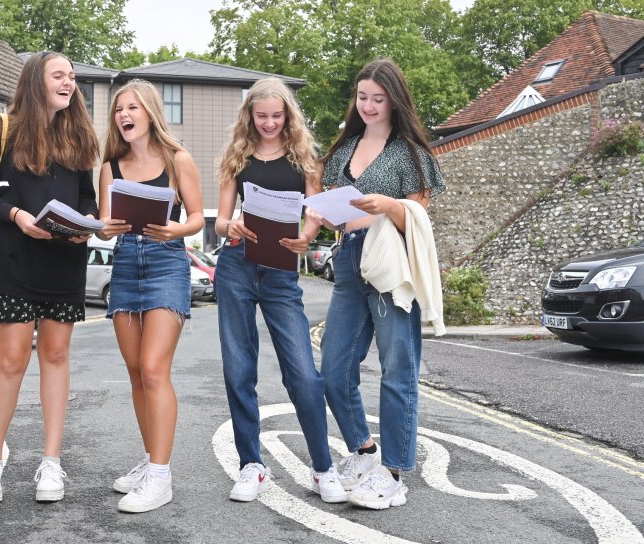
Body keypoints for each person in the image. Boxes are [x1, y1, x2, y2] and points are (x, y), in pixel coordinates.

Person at [0, 51, 100, 504]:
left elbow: (88, 198)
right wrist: (19, 215)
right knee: (11, 359)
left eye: (72, 76)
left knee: (57, 356)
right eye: (59, 75)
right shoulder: (0, 130)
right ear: (35, 81)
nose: (69, 82)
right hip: (13, 261)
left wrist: (86, 224)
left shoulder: (80, 134)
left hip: (64, 260)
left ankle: (51, 463)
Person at [318, 58, 446, 509]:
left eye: (378, 98)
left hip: (391, 265)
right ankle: (366, 452)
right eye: (362, 97)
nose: (369, 106)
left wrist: (390, 206)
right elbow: (330, 210)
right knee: (333, 371)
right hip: (349, 263)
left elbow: (419, 220)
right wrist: (316, 217)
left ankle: (392, 474)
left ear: (394, 99)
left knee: (398, 370)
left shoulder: (410, 153)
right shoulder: (342, 150)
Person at [213, 77, 345, 504]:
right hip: (236, 264)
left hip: (282, 269)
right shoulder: (237, 156)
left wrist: (307, 235)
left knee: (304, 375)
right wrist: (228, 224)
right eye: (261, 116)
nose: (269, 123)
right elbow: (220, 220)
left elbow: (315, 212)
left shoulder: (303, 158)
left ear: (288, 115)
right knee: (238, 370)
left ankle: (322, 468)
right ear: (249, 115)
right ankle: (252, 465)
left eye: (277, 116)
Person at [96, 80, 204, 513]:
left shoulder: (179, 160)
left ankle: (161, 477)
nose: (124, 114)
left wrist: (178, 227)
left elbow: (196, 217)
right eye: (119, 109)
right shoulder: (110, 167)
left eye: (132, 107)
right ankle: (149, 461)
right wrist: (103, 228)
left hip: (166, 262)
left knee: (156, 369)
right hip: (124, 263)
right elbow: (106, 223)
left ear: (150, 113)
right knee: (137, 371)